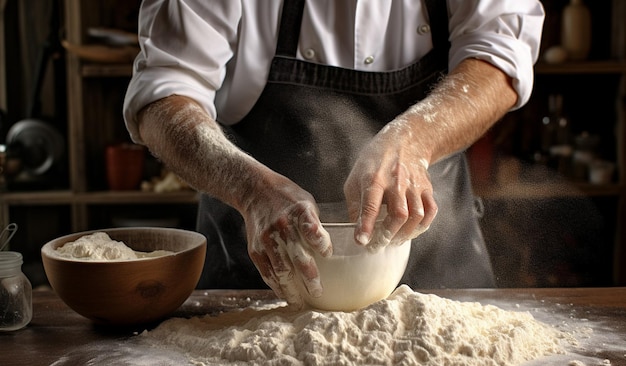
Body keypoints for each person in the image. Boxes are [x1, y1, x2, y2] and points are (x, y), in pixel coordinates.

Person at [123, 0, 545, 307]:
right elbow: (163, 98)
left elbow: (499, 57)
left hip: (441, 283)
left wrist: (413, 140)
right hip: (257, 290)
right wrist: (250, 189)